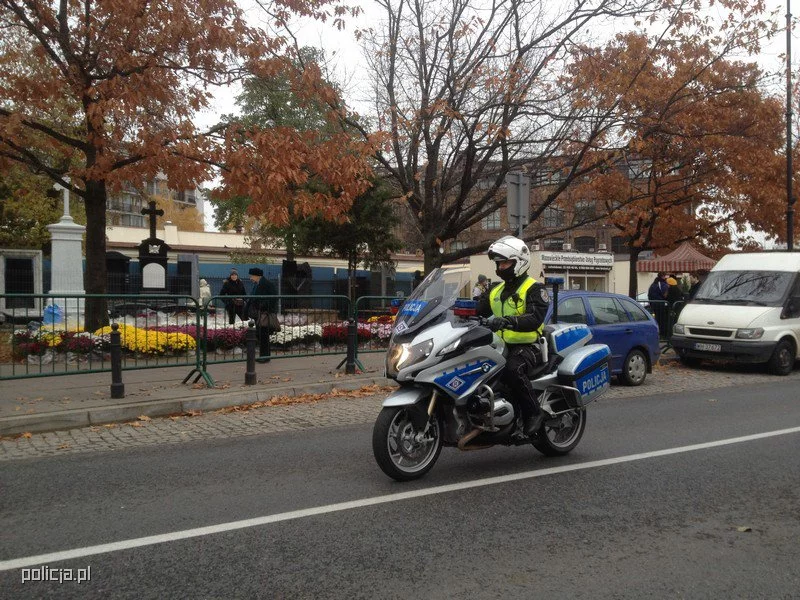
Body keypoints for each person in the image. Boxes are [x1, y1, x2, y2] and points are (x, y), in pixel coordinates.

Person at [477, 235, 550, 437]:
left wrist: (509, 321)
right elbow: (476, 310)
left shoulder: (535, 288)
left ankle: (534, 413)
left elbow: (535, 318)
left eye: (505, 263)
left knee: (512, 369)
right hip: (498, 346)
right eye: (499, 264)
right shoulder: (495, 290)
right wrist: (455, 311)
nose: (501, 268)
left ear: (520, 262)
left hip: (529, 346)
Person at [246, 267, 278, 363]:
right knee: (261, 335)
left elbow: (274, 297)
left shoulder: (267, 284)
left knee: (264, 335)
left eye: (251, 276)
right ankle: (264, 355)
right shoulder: (257, 284)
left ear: (257, 276)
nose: (250, 278)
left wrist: (263, 306)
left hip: (265, 314)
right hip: (259, 313)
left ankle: (265, 357)